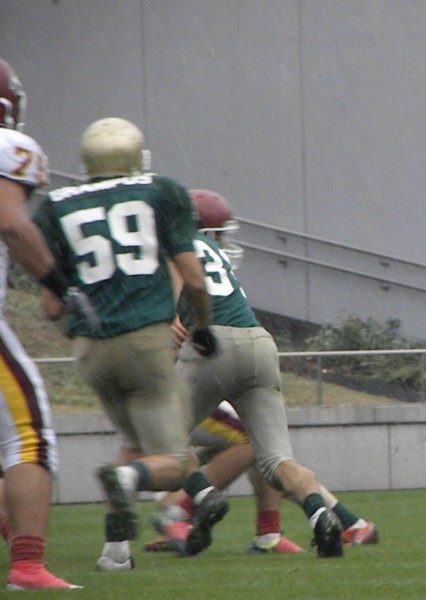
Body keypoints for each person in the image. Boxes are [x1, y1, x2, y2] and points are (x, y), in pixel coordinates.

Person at [33, 117, 227, 571]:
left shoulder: (55, 205)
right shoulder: (159, 191)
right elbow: (195, 278)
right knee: (170, 462)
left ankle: (116, 552)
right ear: (135, 157)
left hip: (91, 352)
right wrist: (203, 325)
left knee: (135, 441)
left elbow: (51, 306)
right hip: (145, 341)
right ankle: (136, 483)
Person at [170, 188, 378, 558]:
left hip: (211, 347)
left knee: (162, 438)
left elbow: (173, 310)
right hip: (259, 343)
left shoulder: (173, 247)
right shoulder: (215, 255)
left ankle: (182, 510)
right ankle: (321, 516)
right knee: (277, 460)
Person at [0, 57, 85, 590]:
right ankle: (28, 565)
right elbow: (12, 225)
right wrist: (59, 282)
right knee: (28, 435)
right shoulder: (9, 146)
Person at [144, 401, 379, 554]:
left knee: (258, 442)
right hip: (173, 392)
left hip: (161, 391)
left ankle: (268, 535)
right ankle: (180, 514)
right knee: (258, 438)